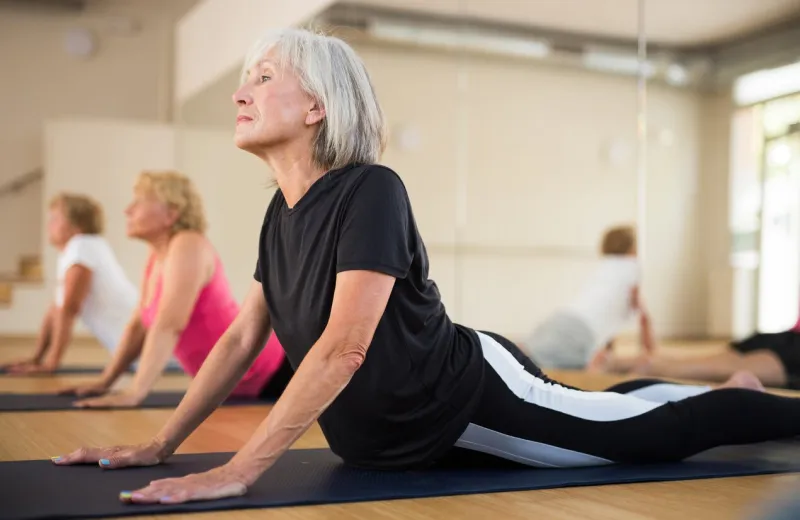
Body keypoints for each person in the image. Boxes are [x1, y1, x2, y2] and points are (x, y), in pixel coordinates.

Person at [52, 28, 800, 505]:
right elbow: (241, 341)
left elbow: (346, 344)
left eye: (265, 75)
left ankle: (749, 400)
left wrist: (239, 469)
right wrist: (162, 443)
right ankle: (696, 390)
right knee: (603, 408)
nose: (243, 91)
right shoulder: (279, 215)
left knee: (652, 435)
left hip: (467, 399)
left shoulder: (371, 189)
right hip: (401, 436)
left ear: (317, 107)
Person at [58, 171, 290, 407]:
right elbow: (138, 326)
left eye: (139, 202)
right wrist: (105, 382)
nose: (127, 210)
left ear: (171, 213)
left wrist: (136, 392)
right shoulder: (158, 256)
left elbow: (169, 325)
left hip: (274, 372)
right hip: (234, 383)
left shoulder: (188, 244)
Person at [1, 193, 137, 374]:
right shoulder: (79, 248)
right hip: (136, 352)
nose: (49, 225)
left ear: (77, 226)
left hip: (148, 356)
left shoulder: (82, 247)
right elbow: (55, 309)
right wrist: (36, 358)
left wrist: (50, 364)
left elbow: (69, 310)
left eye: (56, 219)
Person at [522, 225, 654, 369]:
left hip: (561, 318)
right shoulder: (632, 266)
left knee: (525, 355)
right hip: (580, 333)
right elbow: (642, 315)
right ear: (632, 249)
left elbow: (608, 315)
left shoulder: (603, 267)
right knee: (535, 362)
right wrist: (650, 351)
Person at [589, 316, 800, 389]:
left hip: (784, 338)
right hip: (791, 347)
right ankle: (648, 366)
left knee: (705, 360)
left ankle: (622, 361)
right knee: (709, 366)